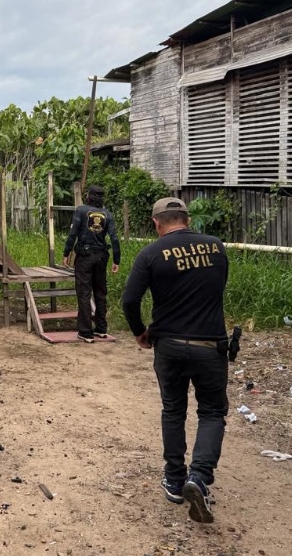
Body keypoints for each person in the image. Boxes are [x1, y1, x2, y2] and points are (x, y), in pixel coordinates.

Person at [120, 197, 230, 524]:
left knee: (173, 409)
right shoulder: (216, 248)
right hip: (210, 345)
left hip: (167, 344)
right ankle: (199, 476)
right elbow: (216, 288)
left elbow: (129, 300)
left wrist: (141, 332)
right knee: (211, 411)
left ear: (156, 223)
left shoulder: (151, 254)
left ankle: (174, 478)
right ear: (187, 218)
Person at [61, 185, 120, 343]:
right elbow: (114, 238)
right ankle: (101, 329)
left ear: (89, 196)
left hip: (85, 256)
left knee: (84, 293)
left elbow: (73, 234)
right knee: (100, 292)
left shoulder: (81, 211)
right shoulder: (108, 214)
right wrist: (117, 259)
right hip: (102, 256)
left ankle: (85, 332)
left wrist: (66, 253)